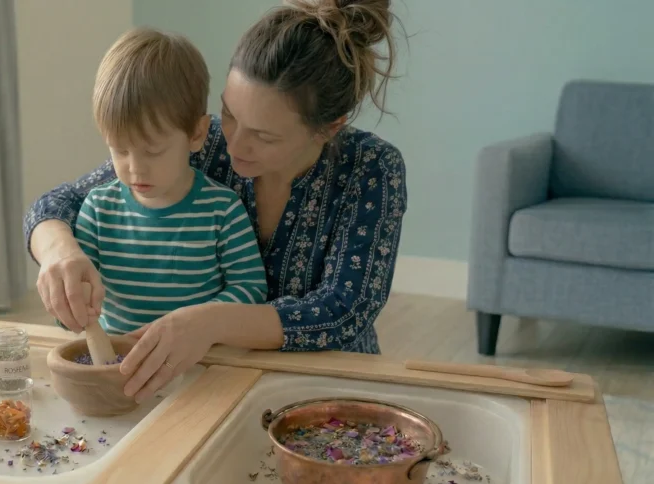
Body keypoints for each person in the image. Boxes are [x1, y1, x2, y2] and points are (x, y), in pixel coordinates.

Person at [24, 0, 407, 402]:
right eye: (229, 113)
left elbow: (343, 309)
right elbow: (60, 202)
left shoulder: (371, 167)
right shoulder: (200, 141)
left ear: (328, 129)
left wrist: (209, 323)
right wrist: (60, 254)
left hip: (323, 384)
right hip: (210, 380)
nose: (234, 143)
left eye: (264, 135)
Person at [73, 28, 268, 336]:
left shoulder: (222, 210)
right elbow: (76, 298)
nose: (135, 168)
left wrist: (200, 323)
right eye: (120, 150)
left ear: (196, 134)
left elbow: (251, 289)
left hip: (200, 360)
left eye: (153, 151)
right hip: (118, 361)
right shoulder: (98, 209)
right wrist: (71, 302)